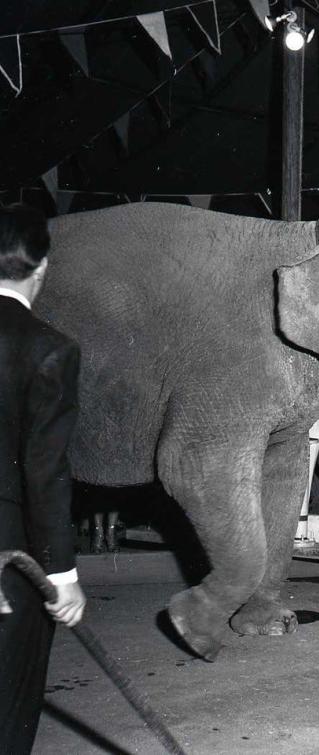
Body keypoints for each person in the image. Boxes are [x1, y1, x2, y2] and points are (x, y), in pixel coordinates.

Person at [0, 204, 87, 753]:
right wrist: (61, 575)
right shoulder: (51, 350)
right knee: (9, 698)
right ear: (42, 267)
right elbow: (45, 471)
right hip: (12, 556)